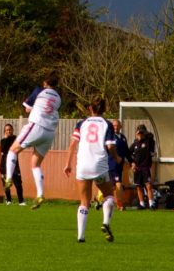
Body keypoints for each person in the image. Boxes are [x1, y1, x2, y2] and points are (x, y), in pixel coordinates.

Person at [63, 96, 121, 243]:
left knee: (84, 201)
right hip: (99, 165)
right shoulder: (107, 124)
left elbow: (72, 144)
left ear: (90, 108)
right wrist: (117, 158)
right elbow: (110, 146)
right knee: (109, 196)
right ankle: (106, 222)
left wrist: (68, 164)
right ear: (104, 109)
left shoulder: (81, 123)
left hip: (83, 165)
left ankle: (81, 236)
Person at [4, 75, 62, 209]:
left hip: (37, 125)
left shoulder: (39, 91)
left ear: (45, 82)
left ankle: (8, 178)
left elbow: (27, 108)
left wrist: (33, 106)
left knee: (13, 150)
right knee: (35, 164)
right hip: (50, 132)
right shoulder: (59, 98)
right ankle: (40, 194)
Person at [105, 119, 132, 211]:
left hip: (120, 165)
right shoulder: (110, 137)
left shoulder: (123, 137)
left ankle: (99, 200)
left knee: (112, 185)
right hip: (112, 164)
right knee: (118, 183)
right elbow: (106, 149)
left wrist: (131, 161)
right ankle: (120, 204)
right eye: (114, 126)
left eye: (117, 125)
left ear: (121, 126)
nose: (115, 127)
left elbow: (126, 151)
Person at [129, 125, 157, 209]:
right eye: (138, 133)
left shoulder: (148, 141)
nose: (140, 135)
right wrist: (132, 163)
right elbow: (128, 154)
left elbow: (151, 135)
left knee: (148, 186)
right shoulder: (135, 144)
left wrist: (144, 132)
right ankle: (142, 204)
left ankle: (151, 203)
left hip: (145, 168)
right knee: (138, 187)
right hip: (137, 169)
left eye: (141, 133)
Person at [0, 123, 25, 205]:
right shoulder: (3, 141)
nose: (8, 131)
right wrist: (6, 139)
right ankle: (8, 200)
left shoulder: (15, 139)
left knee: (18, 184)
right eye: (7, 130)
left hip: (14, 164)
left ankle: (21, 201)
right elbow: (3, 150)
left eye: (10, 130)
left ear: (12, 130)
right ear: (4, 132)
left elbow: (18, 147)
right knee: (6, 184)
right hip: (4, 165)